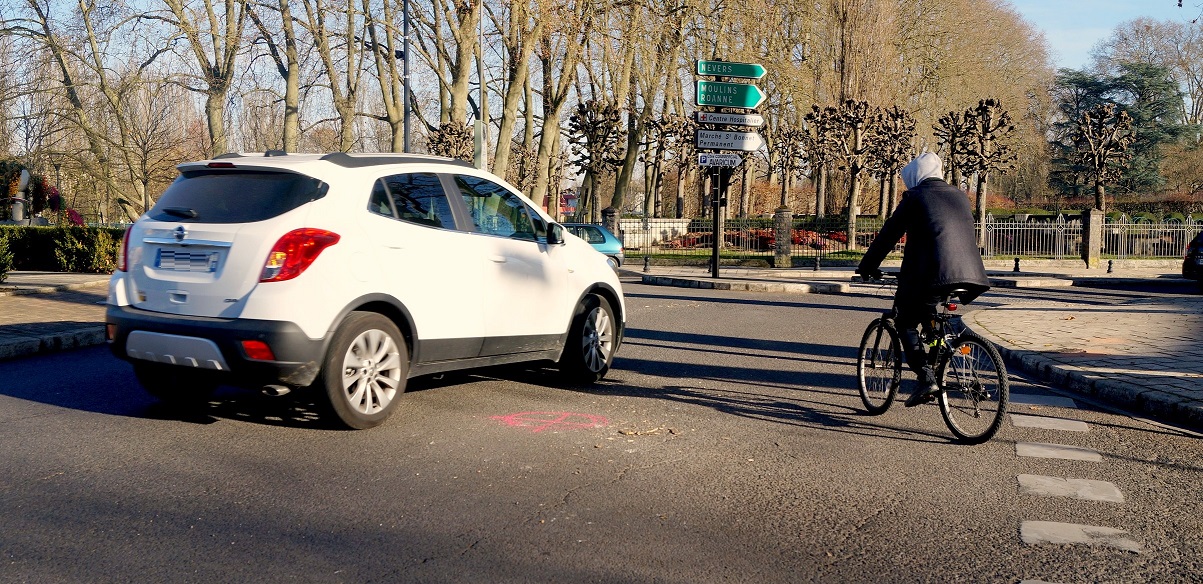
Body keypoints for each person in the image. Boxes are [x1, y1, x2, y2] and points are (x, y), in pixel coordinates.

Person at [856, 152, 991, 407]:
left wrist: (867, 266)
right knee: (930, 314)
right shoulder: (959, 195)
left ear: (915, 176)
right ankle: (939, 356)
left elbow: (889, 234)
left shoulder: (916, 197)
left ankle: (926, 378)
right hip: (971, 273)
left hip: (935, 275)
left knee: (905, 322)